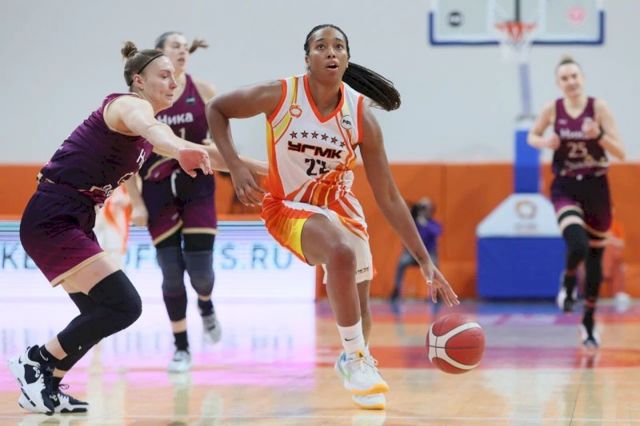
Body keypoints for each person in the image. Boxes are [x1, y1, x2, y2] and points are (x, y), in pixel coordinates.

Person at [206, 24, 459, 410]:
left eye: (338, 46)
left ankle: (355, 361)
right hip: (287, 205)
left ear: (347, 58)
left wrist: (424, 260)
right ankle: (356, 358)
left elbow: (389, 196)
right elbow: (217, 108)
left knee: (360, 307)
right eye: (321, 46)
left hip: (341, 208)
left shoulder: (361, 116)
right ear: (307, 58)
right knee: (340, 252)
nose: (330, 52)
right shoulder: (281, 94)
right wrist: (236, 166)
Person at [7, 41, 231, 415]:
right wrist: (179, 150)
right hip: (53, 216)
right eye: (164, 75)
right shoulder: (127, 105)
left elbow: (211, 154)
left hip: (74, 217)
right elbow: (159, 132)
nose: (173, 83)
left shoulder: (145, 133)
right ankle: (36, 359)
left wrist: (268, 172)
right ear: (138, 80)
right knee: (125, 305)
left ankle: (47, 384)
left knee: (99, 314)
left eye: (175, 77)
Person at [127, 31, 221, 373]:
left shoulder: (204, 91)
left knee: (201, 277)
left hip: (198, 186)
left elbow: (221, 136)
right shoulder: (140, 102)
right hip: (157, 191)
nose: (182, 51)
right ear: (159, 56)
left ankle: (206, 304)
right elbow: (126, 159)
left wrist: (219, 148)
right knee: (170, 274)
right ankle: (181, 347)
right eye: (174, 47)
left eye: (185, 47)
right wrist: (137, 203)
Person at [528, 55, 625, 349]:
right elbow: (532, 135)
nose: (570, 82)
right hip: (566, 185)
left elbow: (620, 152)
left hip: (597, 186)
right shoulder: (553, 109)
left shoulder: (599, 108)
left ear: (582, 78)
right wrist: (544, 142)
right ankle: (569, 280)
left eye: (574, 76)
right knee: (577, 244)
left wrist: (599, 136)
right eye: (564, 78)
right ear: (558, 83)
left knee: (595, 259)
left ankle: (589, 321)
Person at [389, 197, 442, 302]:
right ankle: (396, 289)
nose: (422, 210)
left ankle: (435, 292)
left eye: (425, 208)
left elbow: (436, 232)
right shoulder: (414, 223)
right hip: (413, 255)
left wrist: (424, 223)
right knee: (401, 262)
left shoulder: (433, 224)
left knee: (434, 266)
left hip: (429, 255)